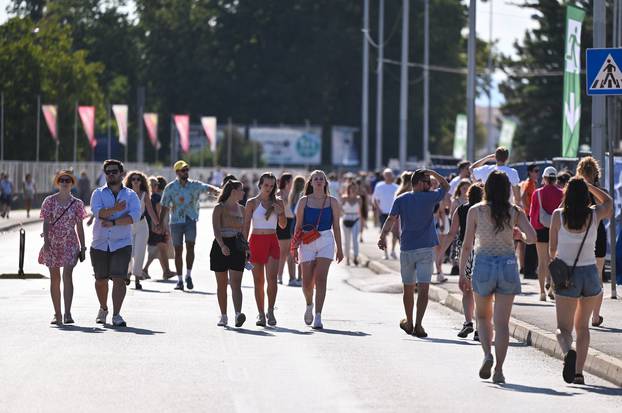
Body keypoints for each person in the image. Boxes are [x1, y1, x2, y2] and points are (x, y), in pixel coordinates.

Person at [459, 171, 536, 384]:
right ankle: (499, 370)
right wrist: (519, 235)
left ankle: (487, 355)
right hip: (508, 265)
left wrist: (463, 272)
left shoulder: (476, 211)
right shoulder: (515, 212)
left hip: (483, 263)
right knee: (502, 323)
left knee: (482, 318)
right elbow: (533, 237)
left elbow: (467, 245)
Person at [548, 177, 612, 385]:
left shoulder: (558, 216)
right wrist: (589, 186)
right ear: (586, 195)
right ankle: (578, 373)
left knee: (563, 329)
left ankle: (569, 352)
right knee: (583, 328)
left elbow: (551, 251)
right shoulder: (594, 215)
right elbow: (609, 203)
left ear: (566, 194)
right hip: (590, 275)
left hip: (567, 276)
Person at [379, 169, 449, 338]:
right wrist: (434, 173)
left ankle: (409, 322)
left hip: (407, 248)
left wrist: (382, 236)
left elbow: (391, 219)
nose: (430, 185)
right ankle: (418, 325)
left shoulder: (401, 199)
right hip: (425, 249)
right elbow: (446, 186)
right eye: (427, 182)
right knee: (423, 289)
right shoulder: (430, 197)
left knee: (408, 289)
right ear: (418, 183)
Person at [90, 159, 141, 327]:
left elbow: (133, 217)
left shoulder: (131, 195)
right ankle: (103, 308)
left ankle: (117, 314)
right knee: (101, 280)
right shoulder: (98, 193)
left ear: (121, 173)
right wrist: (116, 210)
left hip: (122, 243)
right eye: (108, 172)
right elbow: (99, 213)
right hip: (100, 243)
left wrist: (113, 222)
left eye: (114, 171)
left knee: (119, 279)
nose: (111, 174)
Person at [292, 170, 343, 329]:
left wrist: (340, 248)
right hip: (307, 240)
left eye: (322, 179)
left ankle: (319, 316)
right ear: (311, 182)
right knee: (307, 281)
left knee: (321, 278)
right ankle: (309, 305)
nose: (319, 181)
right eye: (316, 179)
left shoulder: (332, 201)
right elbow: (298, 226)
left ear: (325, 182)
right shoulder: (303, 201)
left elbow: (336, 226)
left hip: (326, 239)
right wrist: (294, 247)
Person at [159, 160, 220, 291]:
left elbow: (208, 188)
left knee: (191, 246)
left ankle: (188, 275)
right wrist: (159, 223)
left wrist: (221, 192)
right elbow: (164, 206)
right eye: (183, 170)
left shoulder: (194, 185)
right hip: (175, 221)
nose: (185, 172)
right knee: (178, 250)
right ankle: (180, 280)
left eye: (187, 169)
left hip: (191, 220)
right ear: (177, 172)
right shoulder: (170, 188)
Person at [38, 170, 87, 325]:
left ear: (72, 183)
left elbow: (80, 226)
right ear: (58, 183)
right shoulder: (49, 201)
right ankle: (57, 314)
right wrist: (46, 242)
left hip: (70, 242)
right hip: (52, 242)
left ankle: (67, 313)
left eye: (68, 180)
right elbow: (45, 223)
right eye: (62, 180)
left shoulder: (77, 203)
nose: (64, 182)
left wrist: (83, 247)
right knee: (55, 278)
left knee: (67, 275)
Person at [243, 172, 287, 326]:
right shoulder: (251, 203)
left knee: (272, 280)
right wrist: (244, 246)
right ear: (260, 185)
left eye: (271, 185)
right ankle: (261, 314)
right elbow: (246, 225)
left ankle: (270, 311)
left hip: (272, 241)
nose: (269, 188)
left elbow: (283, 225)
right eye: (266, 185)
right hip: (255, 241)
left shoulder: (278, 202)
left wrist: (280, 212)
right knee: (258, 281)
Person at [441, 182, 484, 340]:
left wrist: (441, 252)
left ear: (468, 195)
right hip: (480, 249)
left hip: (464, 249)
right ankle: (480, 328)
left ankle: (468, 322)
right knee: (480, 291)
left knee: (466, 288)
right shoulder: (484, 210)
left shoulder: (460, 209)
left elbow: (452, 233)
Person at [211, 180, 248, 327]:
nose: (243, 193)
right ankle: (224, 315)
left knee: (236, 283)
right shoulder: (219, 208)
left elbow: (244, 232)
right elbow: (216, 230)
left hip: (237, 246)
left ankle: (238, 314)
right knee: (221, 284)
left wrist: (247, 249)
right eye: (241, 190)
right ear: (233, 192)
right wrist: (222, 246)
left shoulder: (242, 209)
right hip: (221, 245)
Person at [576, 157, 607, 327]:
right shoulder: (601, 191)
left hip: (580, 236)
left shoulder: (575, 192)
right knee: (598, 275)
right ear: (596, 173)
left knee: (581, 273)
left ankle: (584, 313)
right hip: (598, 234)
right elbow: (608, 206)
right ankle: (595, 315)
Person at [529, 166, 563, 301]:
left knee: (542, 261)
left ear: (544, 178)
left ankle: (542, 292)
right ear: (555, 179)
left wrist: (532, 232)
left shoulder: (537, 193)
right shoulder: (562, 193)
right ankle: (553, 289)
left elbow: (532, 214)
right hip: (556, 229)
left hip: (540, 228)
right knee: (554, 259)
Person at [124, 171, 160, 290]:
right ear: (130, 181)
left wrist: (157, 224)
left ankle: (137, 279)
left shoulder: (144, 194)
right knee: (128, 251)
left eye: (138, 179)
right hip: (128, 225)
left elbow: (150, 210)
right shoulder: (125, 193)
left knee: (139, 252)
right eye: (133, 179)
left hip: (141, 225)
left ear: (141, 181)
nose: (135, 181)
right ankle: (128, 273)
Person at [143, 176, 176, 280]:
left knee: (161, 248)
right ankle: (145, 269)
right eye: (155, 184)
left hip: (149, 226)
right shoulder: (157, 197)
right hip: (157, 227)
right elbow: (158, 212)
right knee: (160, 248)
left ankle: (166, 271)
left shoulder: (147, 197)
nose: (156, 186)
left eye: (156, 184)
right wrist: (161, 226)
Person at [373, 168, 399, 260]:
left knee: (395, 234)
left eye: (389, 174)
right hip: (383, 213)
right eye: (386, 174)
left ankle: (392, 251)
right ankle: (386, 253)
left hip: (393, 213)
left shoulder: (396, 187)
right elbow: (375, 199)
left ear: (392, 176)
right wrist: (378, 210)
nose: (388, 176)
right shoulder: (379, 186)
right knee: (384, 234)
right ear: (383, 176)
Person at [519, 164, 540, 279]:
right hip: (529, 216)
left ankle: (527, 269)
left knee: (528, 243)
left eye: (538, 171)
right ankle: (528, 270)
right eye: (535, 171)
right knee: (530, 244)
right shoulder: (529, 183)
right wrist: (529, 209)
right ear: (530, 172)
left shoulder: (532, 183)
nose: (537, 173)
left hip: (529, 215)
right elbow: (522, 197)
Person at [276, 173, 297, 286]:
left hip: (292, 222)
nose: (292, 183)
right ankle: (279, 276)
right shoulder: (279, 193)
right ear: (287, 182)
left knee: (291, 252)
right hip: (283, 222)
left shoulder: (293, 194)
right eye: (290, 181)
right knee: (283, 252)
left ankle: (292, 278)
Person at [289, 175, 307, 285]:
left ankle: (293, 277)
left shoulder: (292, 196)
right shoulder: (303, 197)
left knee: (294, 250)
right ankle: (301, 277)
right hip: (302, 224)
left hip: (293, 224)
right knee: (302, 251)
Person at [341, 182, 363, 266]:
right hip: (346, 219)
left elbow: (360, 211)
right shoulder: (344, 198)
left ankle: (355, 257)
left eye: (355, 188)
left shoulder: (359, 199)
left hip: (356, 219)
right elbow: (340, 210)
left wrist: (363, 224)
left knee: (355, 239)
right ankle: (347, 258)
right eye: (351, 188)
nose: (353, 190)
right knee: (346, 240)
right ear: (348, 189)